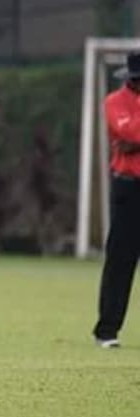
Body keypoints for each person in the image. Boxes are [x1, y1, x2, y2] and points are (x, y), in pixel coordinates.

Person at [93, 51, 140, 349]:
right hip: (128, 188)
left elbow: (133, 139)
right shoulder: (114, 102)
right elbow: (126, 132)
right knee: (121, 259)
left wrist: (134, 144)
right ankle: (107, 329)